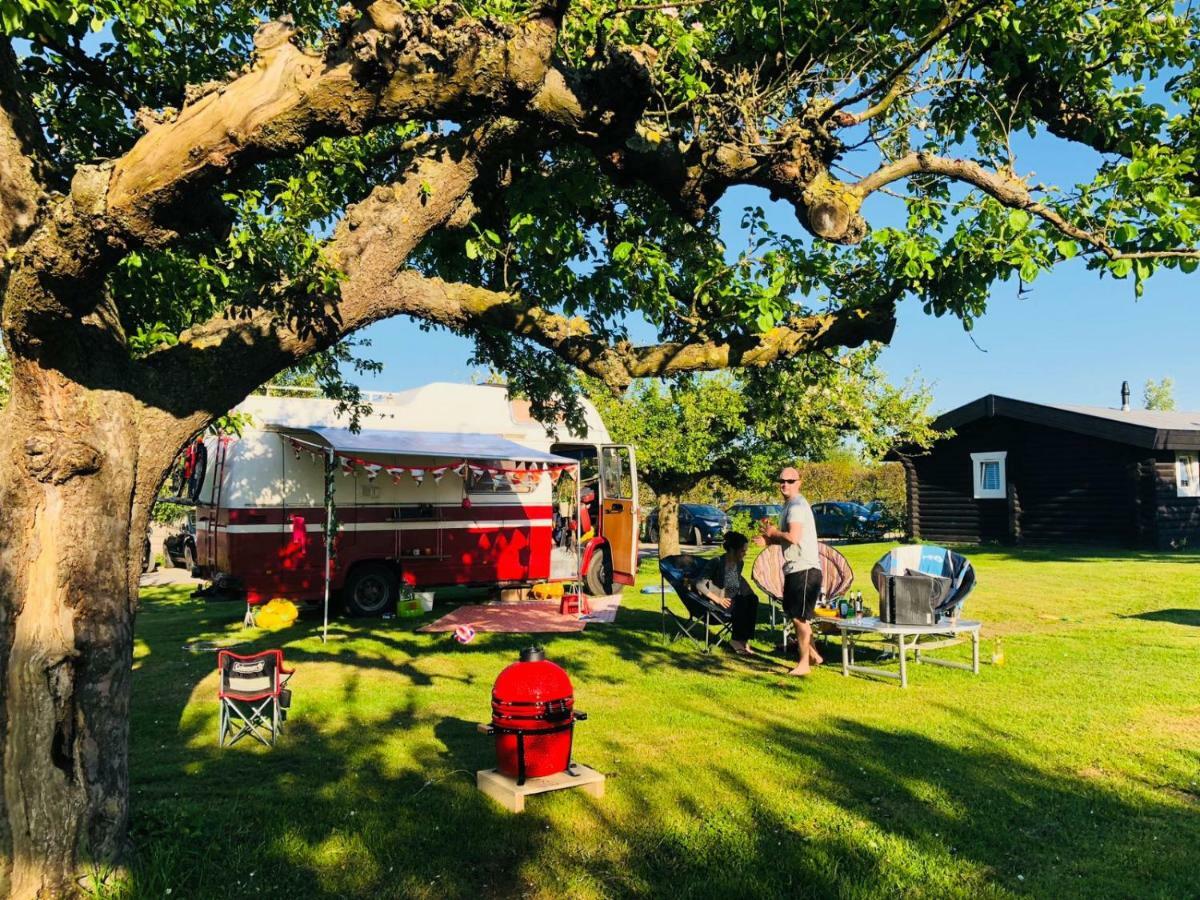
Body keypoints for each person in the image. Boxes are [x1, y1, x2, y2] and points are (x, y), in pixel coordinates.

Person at [755, 466, 822, 676]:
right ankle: (814, 655)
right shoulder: (789, 505)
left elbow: (793, 537)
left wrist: (774, 532)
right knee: (798, 616)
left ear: (799, 483)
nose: (785, 484)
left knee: (800, 618)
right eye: (782, 480)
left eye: (790, 481)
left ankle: (804, 665)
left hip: (804, 568)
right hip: (796, 568)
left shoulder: (797, 506)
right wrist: (769, 539)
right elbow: (790, 540)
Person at [696, 531, 759, 655]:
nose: (745, 554)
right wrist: (718, 599)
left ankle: (743, 640)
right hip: (714, 603)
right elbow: (699, 584)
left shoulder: (739, 563)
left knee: (752, 599)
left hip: (729, 600)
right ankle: (735, 640)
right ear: (731, 550)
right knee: (741, 602)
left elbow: (732, 587)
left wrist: (744, 590)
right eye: (742, 551)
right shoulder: (717, 562)